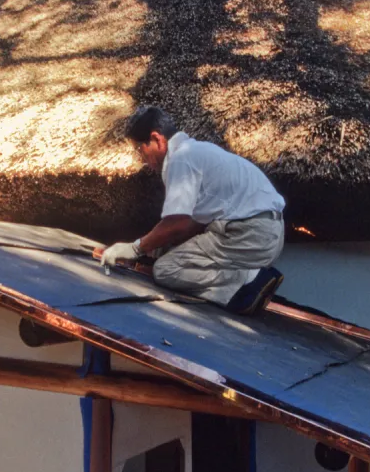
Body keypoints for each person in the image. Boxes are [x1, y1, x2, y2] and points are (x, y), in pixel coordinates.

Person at [99, 106, 286, 315]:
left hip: (247, 234)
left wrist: (135, 249)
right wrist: (152, 249)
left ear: (156, 139)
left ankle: (246, 282)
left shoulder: (181, 158)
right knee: (169, 253)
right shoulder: (199, 152)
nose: (140, 158)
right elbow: (190, 226)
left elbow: (177, 223)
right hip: (268, 233)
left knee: (166, 270)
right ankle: (248, 275)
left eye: (139, 149)